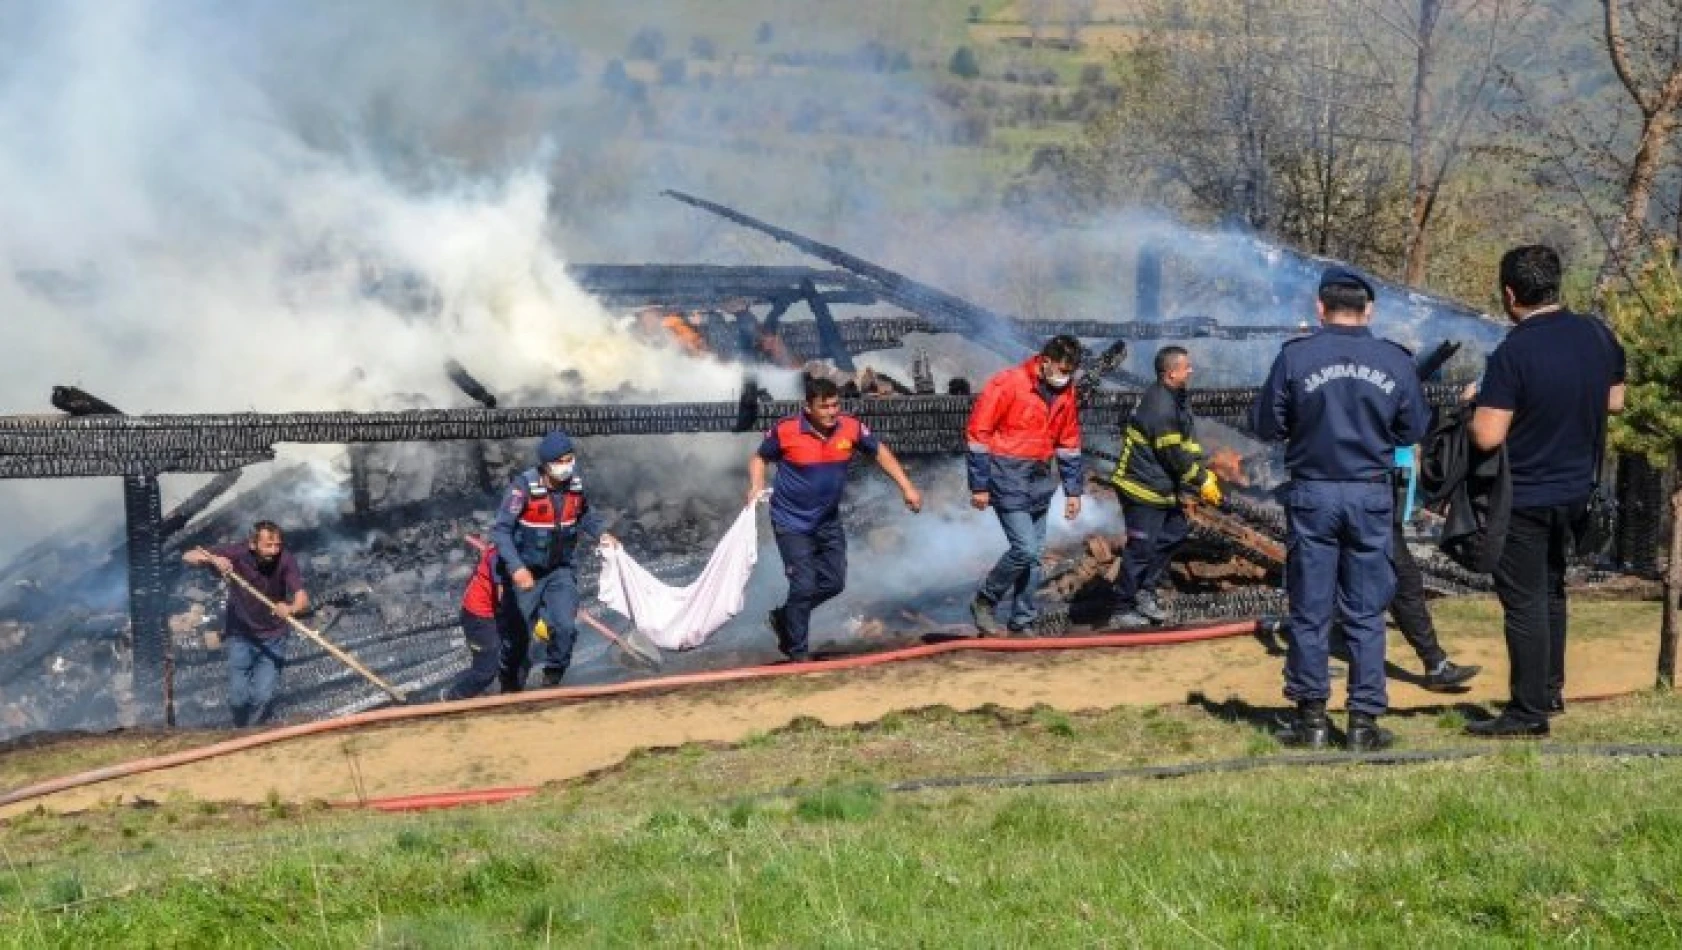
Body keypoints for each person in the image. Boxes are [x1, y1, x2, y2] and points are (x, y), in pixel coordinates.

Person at [1251, 266, 1431, 751]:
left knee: (1310, 610)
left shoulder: (1295, 357)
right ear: (1368, 310)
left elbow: (1268, 423)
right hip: (1369, 494)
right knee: (1367, 611)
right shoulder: (1395, 361)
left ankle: (1310, 721)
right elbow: (1414, 429)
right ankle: (1362, 724)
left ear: (1319, 308)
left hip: (1313, 493)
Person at [1464, 245, 1625, 738]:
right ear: (1557, 284)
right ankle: (1551, 689)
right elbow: (1615, 401)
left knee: (1525, 601)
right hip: (1576, 489)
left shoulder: (1514, 351)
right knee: (1553, 591)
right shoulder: (1598, 335)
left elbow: (1488, 436)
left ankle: (1527, 712)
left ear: (1511, 294)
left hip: (1526, 496)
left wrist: (1476, 402)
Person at [749, 376, 922, 661]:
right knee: (803, 585)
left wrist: (907, 486)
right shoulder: (786, 430)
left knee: (834, 583)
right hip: (791, 522)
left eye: (835, 405)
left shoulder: (850, 427)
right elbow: (759, 458)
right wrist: (756, 484)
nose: (832, 412)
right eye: (825, 407)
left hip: (827, 521)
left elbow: (879, 452)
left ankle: (785, 617)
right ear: (808, 407)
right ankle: (798, 653)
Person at [966, 335, 1086, 636]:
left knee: (1035, 556)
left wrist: (1073, 491)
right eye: (1061, 370)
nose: (1065, 378)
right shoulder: (1008, 383)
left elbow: (1068, 441)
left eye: (1070, 372)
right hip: (1006, 475)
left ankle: (1022, 620)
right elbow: (978, 434)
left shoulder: (1066, 392)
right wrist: (979, 485)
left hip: (1039, 478)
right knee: (1025, 549)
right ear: (1045, 361)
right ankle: (985, 600)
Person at [491, 430, 618, 688]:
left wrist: (602, 533)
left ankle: (553, 677)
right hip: (526, 572)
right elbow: (501, 531)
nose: (566, 466)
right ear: (547, 464)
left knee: (565, 628)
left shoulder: (576, 486)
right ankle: (510, 685)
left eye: (570, 459)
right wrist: (516, 569)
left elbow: (585, 515)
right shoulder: (522, 489)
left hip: (560, 570)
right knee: (516, 638)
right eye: (560, 461)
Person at [1108, 345, 1221, 627]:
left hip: (1160, 486)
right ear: (1171, 373)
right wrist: (1201, 479)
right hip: (1141, 487)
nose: (1191, 370)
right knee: (1141, 548)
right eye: (1186, 367)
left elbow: (1186, 443)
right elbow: (1172, 455)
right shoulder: (1160, 406)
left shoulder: (1175, 397)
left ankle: (1144, 590)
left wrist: (1201, 468)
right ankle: (1122, 608)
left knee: (1176, 531)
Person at [183, 521, 308, 728]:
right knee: (238, 698)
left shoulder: (285, 559)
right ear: (253, 544)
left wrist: (291, 609)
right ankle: (239, 729)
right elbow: (188, 556)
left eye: (277, 545)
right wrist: (215, 560)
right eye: (268, 545)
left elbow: (302, 597)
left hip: (273, 637)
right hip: (240, 636)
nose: (274, 550)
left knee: (263, 696)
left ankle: (252, 734)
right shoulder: (238, 553)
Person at [1387, 447, 1481, 691]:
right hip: (1369, 500)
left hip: (1365, 498)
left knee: (1400, 582)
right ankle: (1435, 664)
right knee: (1404, 582)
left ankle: (1308, 669)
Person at [438, 541, 524, 701]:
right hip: (479, 616)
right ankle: (451, 698)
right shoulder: (502, 555)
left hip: (498, 612)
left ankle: (510, 696)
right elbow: (503, 596)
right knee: (486, 671)